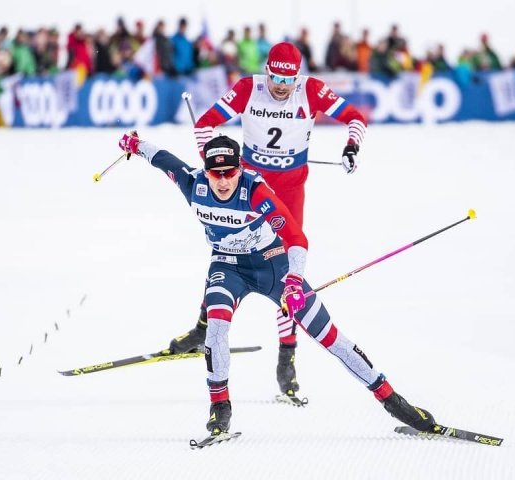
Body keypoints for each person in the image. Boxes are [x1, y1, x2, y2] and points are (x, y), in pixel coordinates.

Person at [118, 132, 436, 436]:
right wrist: (134, 144)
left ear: (240, 168)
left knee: (329, 337)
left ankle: (396, 404)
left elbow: (296, 237)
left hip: (273, 266)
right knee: (217, 326)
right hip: (227, 266)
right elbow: (161, 158)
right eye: (216, 174)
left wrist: (294, 281)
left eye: (230, 173)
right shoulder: (192, 183)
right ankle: (220, 409)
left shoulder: (255, 191)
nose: (223, 181)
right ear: (205, 171)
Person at [171, 41, 367, 403]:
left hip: (289, 193)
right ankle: (202, 327)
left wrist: (351, 147)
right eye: (276, 77)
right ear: (267, 72)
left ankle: (286, 357)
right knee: (227, 252)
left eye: (288, 79)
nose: (281, 85)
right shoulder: (249, 88)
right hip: (247, 190)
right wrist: (212, 167)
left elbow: (355, 118)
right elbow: (205, 124)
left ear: (298, 76)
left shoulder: (311, 89)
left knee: (285, 271)